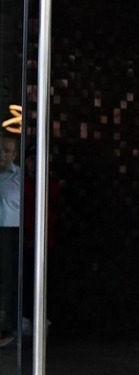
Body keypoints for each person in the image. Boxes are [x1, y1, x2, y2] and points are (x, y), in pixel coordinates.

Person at [22, 143, 63, 334]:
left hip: (45, 242)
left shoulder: (51, 185)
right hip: (25, 242)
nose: (34, 164)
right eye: (31, 160)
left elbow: (51, 214)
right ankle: (25, 317)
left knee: (44, 280)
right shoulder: (22, 184)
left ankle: (41, 316)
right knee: (25, 279)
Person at [0, 133, 21, 346]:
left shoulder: (19, 177)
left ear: (14, 154)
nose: (2, 155)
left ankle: (7, 327)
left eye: (7, 150)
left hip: (10, 231)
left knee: (8, 279)